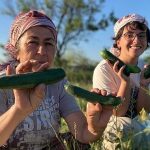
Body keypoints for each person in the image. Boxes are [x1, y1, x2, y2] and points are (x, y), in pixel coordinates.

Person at [0, 10, 113, 150]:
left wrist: (95, 127)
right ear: (16, 51)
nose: (42, 51)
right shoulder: (3, 84)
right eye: (33, 42)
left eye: (48, 44)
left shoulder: (59, 83)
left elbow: (83, 134)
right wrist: (19, 110)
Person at [92, 13, 150, 149]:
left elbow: (145, 109)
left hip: (140, 124)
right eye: (129, 35)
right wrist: (125, 82)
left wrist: (143, 85)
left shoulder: (144, 67)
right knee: (119, 128)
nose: (136, 40)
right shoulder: (104, 69)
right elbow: (117, 113)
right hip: (113, 124)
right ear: (118, 42)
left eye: (141, 35)